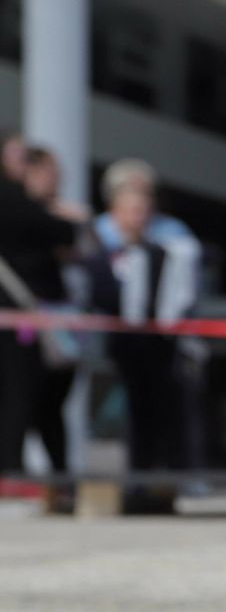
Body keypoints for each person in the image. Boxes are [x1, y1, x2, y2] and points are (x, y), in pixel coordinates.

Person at [82, 186, 199, 479]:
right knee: (127, 415)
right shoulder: (102, 256)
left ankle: (168, 476)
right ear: (116, 215)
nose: (137, 218)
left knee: (165, 411)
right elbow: (98, 297)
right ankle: (136, 476)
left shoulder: (166, 254)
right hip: (122, 347)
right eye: (131, 211)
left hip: (160, 347)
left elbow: (178, 300)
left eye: (142, 211)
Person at [0, 138, 83, 478]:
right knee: (19, 398)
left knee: (48, 403)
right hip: (21, 318)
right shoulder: (11, 200)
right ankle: (13, 475)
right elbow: (62, 232)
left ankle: (55, 477)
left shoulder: (28, 204)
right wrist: (62, 218)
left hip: (49, 319)